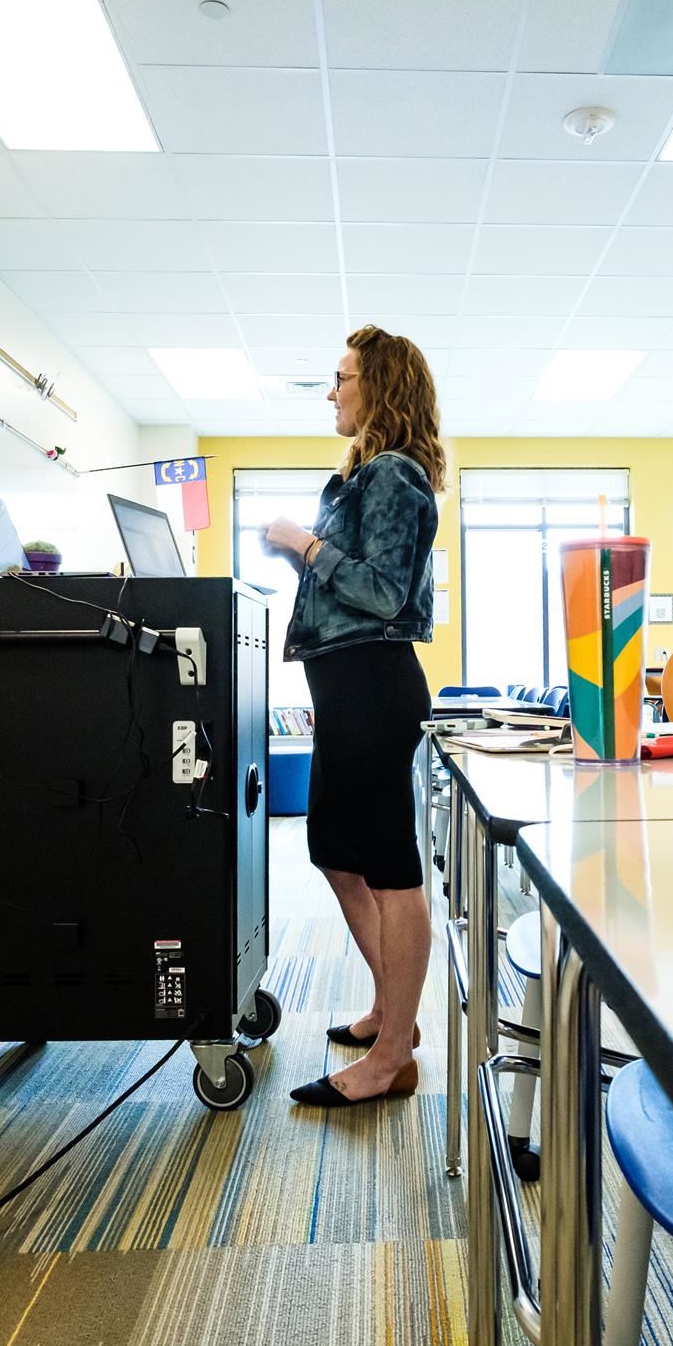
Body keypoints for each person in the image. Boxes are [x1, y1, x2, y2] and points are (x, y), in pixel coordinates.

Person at [259, 324, 444, 1108]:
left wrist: (303, 547)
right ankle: (390, 1010)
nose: (331, 392)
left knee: (391, 867)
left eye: (342, 378)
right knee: (335, 850)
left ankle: (393, 1055)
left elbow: (383, 594)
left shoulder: (396, 476)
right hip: (347, 692)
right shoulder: (362, 479)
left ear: (381, 387)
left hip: (376, 689)